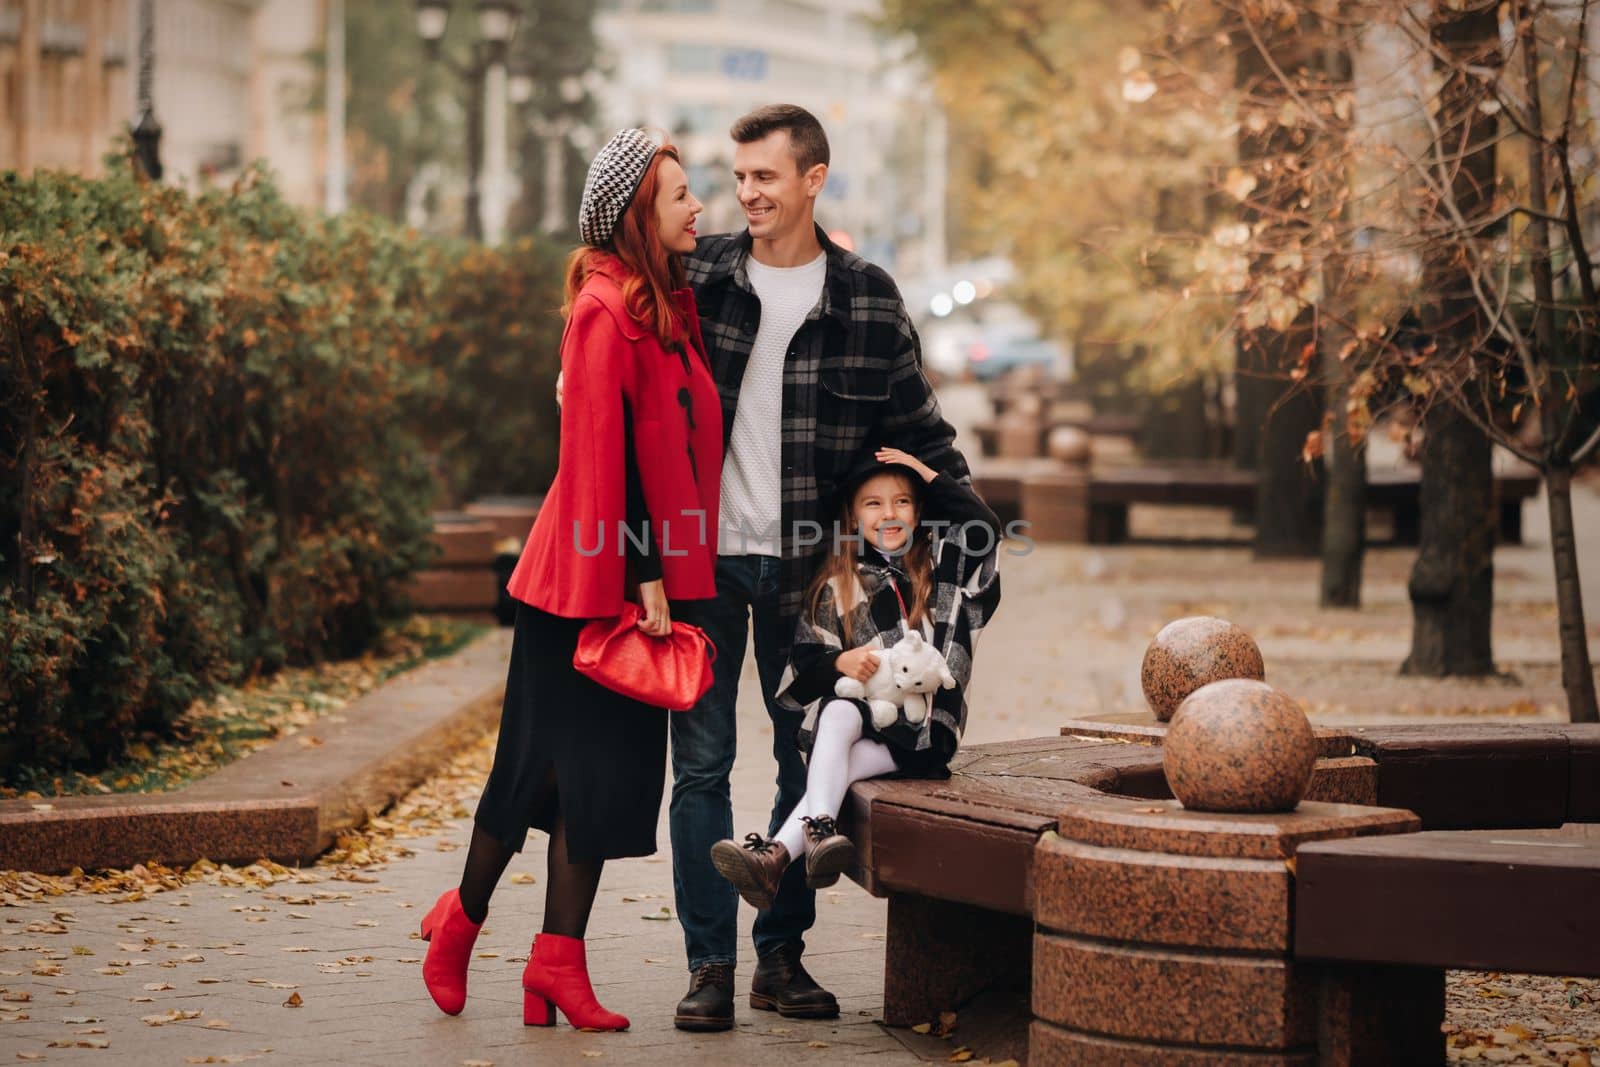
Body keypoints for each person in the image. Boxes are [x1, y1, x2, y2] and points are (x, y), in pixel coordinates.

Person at [667, 105, 975, 1031]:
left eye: (767, 175)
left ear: (814, 178)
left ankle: (779, 957)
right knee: (702, 765)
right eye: (740, 175)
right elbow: (619, 329)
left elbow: (923, 433)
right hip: (707, 561)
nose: (747, 191)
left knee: (807, 752)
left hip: (815, 576)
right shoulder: (702, 277)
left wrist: (978, 531)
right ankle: (710, 966)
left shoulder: (869, 299)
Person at [417, 129, 720, 1034]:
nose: (698, 206)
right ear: (639, 215)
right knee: (534, 772)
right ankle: (458, 921)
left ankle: (557, 963)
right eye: (679, 196)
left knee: (598, 779)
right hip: (584, 583)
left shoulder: (663, 302)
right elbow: (598, 450)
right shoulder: (603, 310)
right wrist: (644, 571)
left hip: (635, 576)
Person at [708, 446, 1002, 908]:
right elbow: (802, 677)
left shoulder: (945, 572)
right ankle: (780, 856)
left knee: (839, 739)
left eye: (902, 501)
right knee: (840, 718)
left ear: (919, 509)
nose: (889, 513)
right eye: (873, 503)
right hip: (874, 739)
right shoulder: (839, 586)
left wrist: (929, 476)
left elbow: (986, 530)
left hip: (927, 738)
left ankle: (798, 839)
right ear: (852, 517)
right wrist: (839, 663)